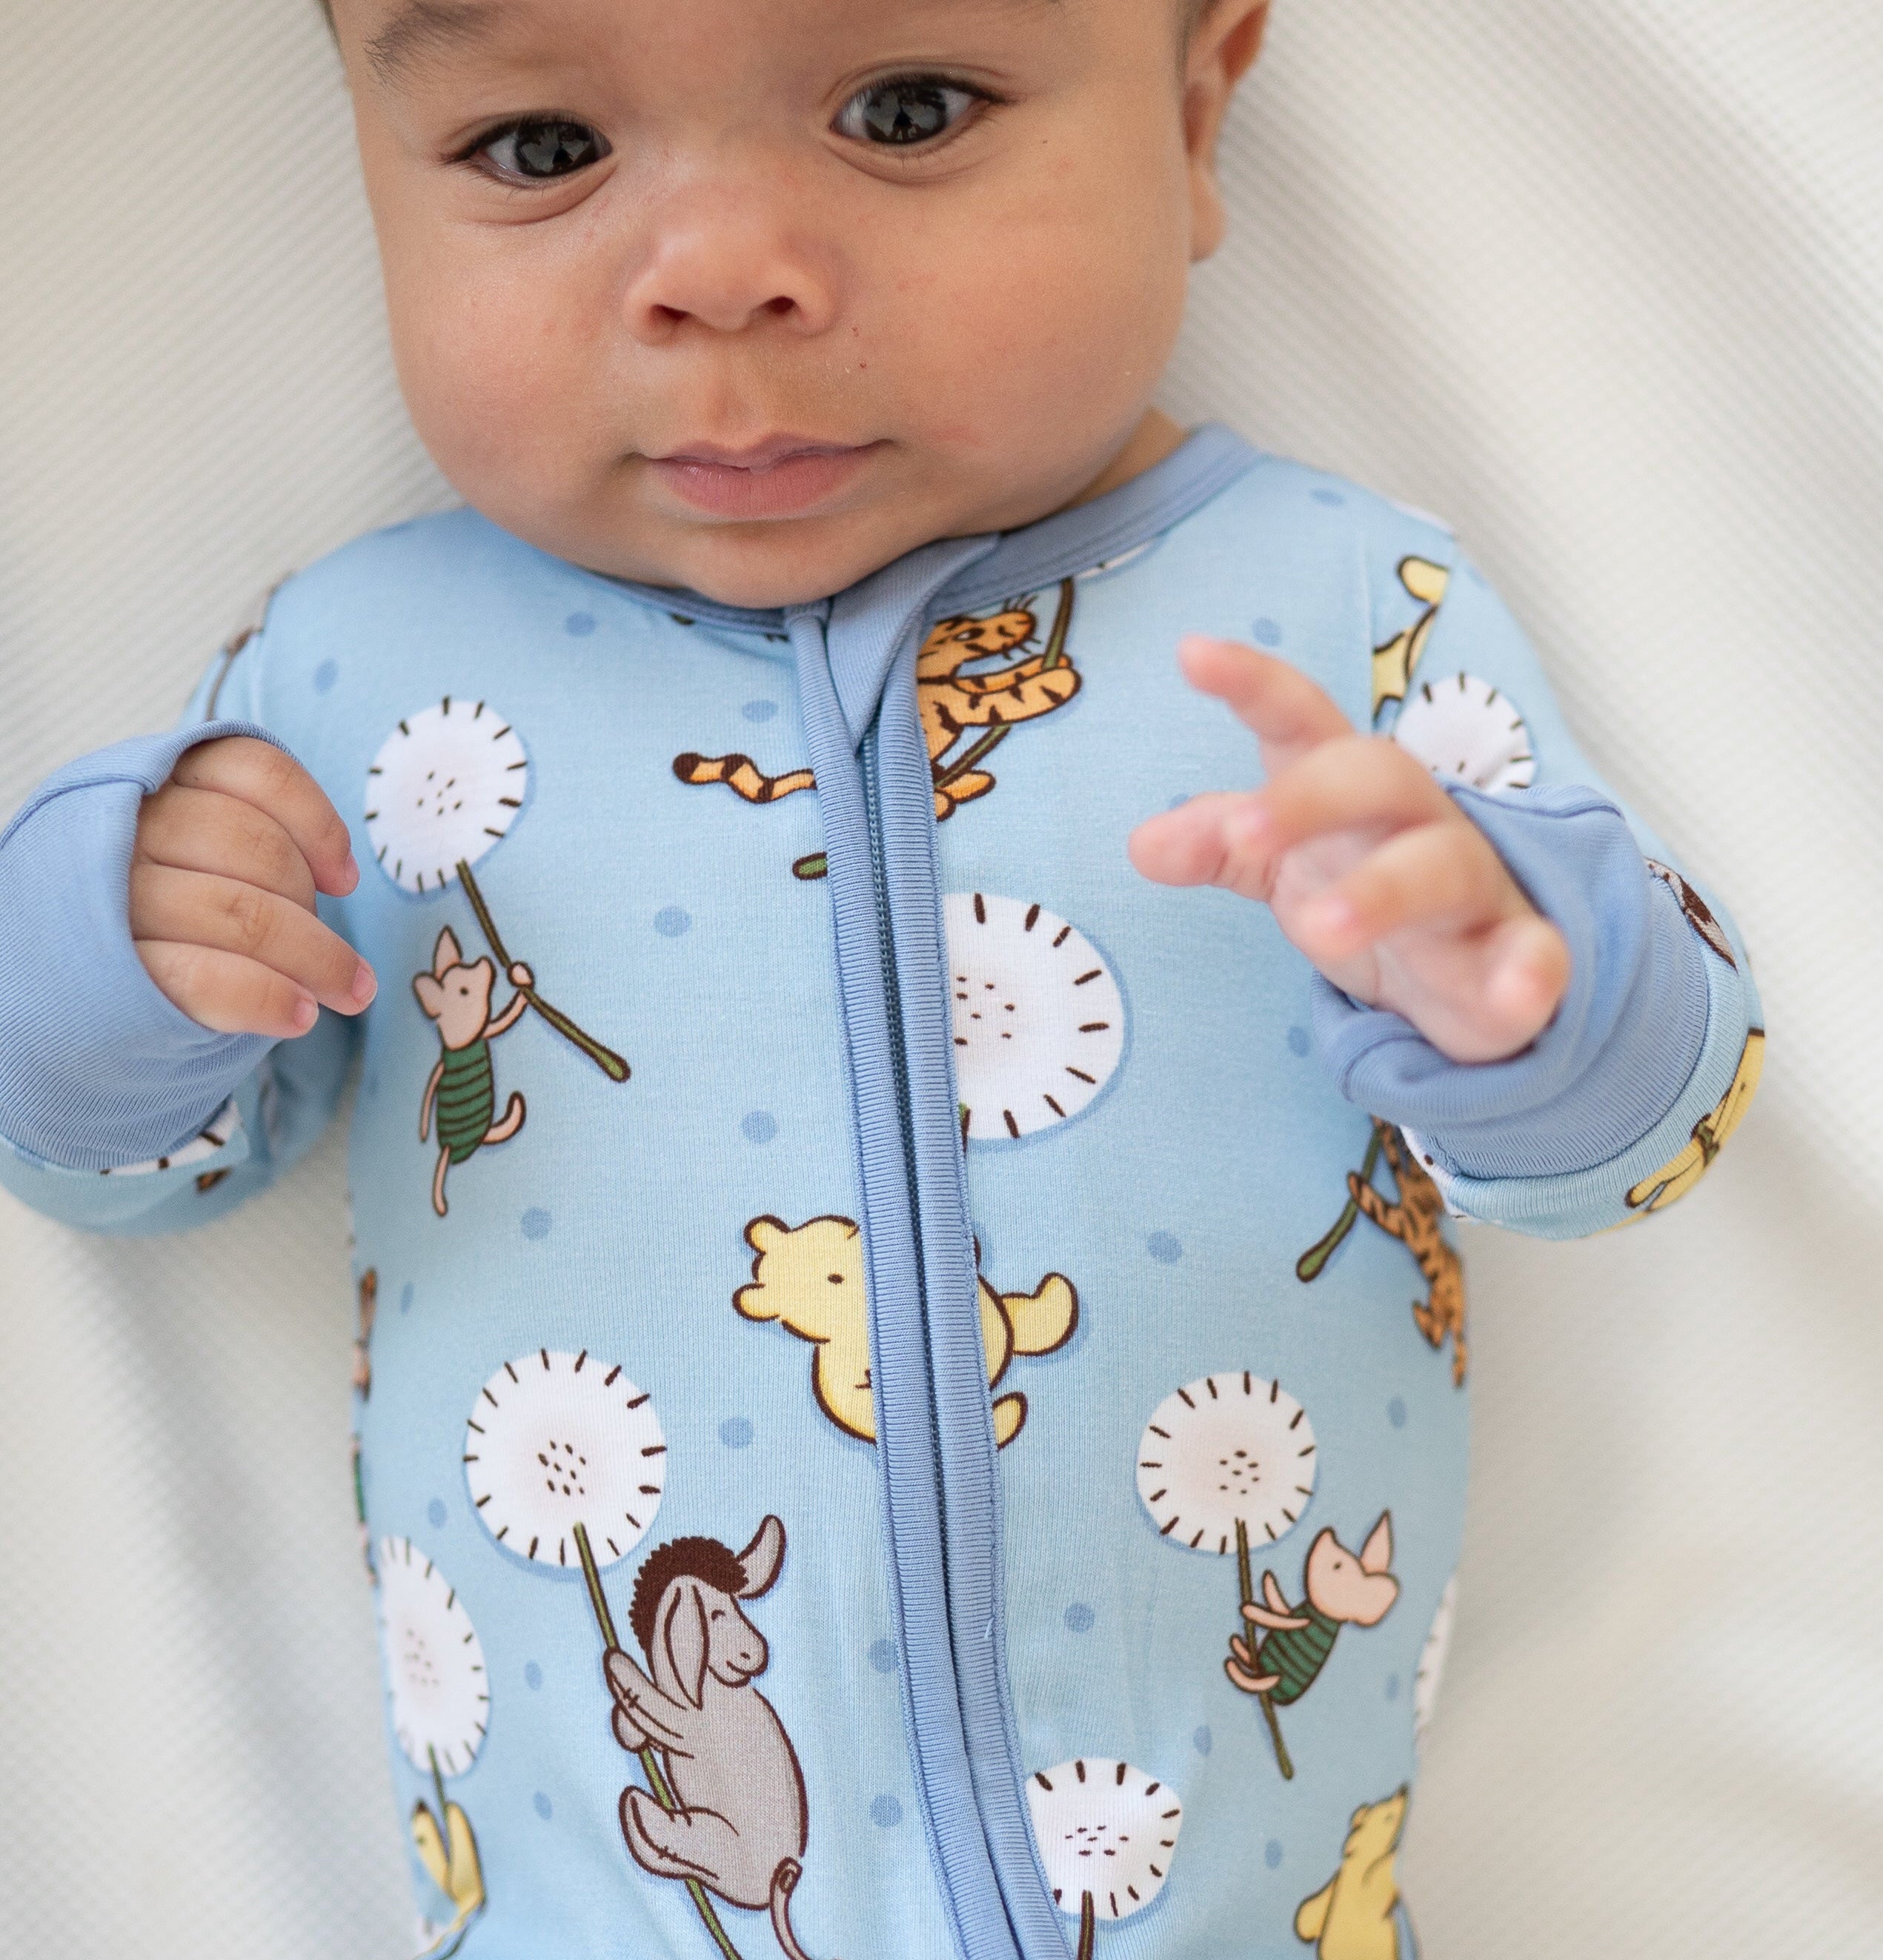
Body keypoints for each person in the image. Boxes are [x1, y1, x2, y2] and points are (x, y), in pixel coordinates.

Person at [0, 1, 1763, 1954]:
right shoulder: (357, 679)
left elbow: (1652, 1140)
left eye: (906, 110)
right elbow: (121, 1164)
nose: (722, 275)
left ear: (1194, 120)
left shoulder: (1346, 609)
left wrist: (1527, 988)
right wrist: (116, 945)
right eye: (538, 151)